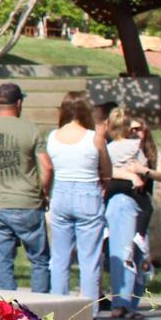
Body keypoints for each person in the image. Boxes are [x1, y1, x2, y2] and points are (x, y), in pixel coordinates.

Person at [0, 82, 51, 292]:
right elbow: (47, 166)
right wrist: (43, 192)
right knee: (39, 260)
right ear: (19, 102)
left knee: (3, 261)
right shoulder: (31, 129)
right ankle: (41, 309)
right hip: (29, 202)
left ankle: (9, 312)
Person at [44, 91, 110, 308]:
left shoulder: (53, 137)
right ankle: (88, 313)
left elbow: (49, 168)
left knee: (60, 257)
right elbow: (106, 168)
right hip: (87, 191)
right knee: (89, 258)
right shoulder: (94, 137)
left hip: (61, 192)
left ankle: (57, 308)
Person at [104, 108, 157, 320]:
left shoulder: (107, 148)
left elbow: (104, 171)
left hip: (114, 203)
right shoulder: (136, 147)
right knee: (135, 251)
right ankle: (126, 303)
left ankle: (122, 300)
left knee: (120, 251)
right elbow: (142, 170)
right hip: (134, 202)